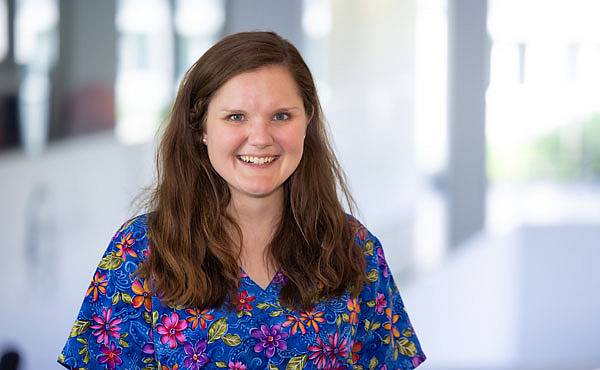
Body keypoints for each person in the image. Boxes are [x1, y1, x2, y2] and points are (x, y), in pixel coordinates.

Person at [58, 31, 426, 370]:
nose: (260, 137)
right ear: (201, 127)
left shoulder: (354, 249)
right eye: (236, 117)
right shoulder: (141, 252)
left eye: (281, 116)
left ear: (307, 121)